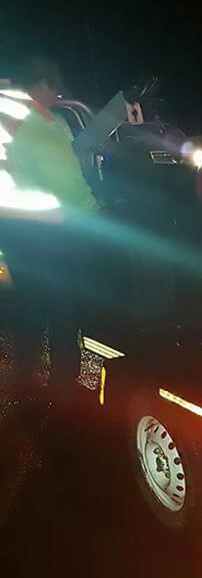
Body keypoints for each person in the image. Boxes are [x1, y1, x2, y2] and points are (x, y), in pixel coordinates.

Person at [2, 55, 101, 404]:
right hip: (52, 231)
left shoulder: (10, 120)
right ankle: (63, 389)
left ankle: (25, 377)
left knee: (29, 305)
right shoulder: (43, 125)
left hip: (15, 229)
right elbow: (68, 183)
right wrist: (96, 211)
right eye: (54, 87)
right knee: (62, 308)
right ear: (43, 85)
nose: (58, 94)